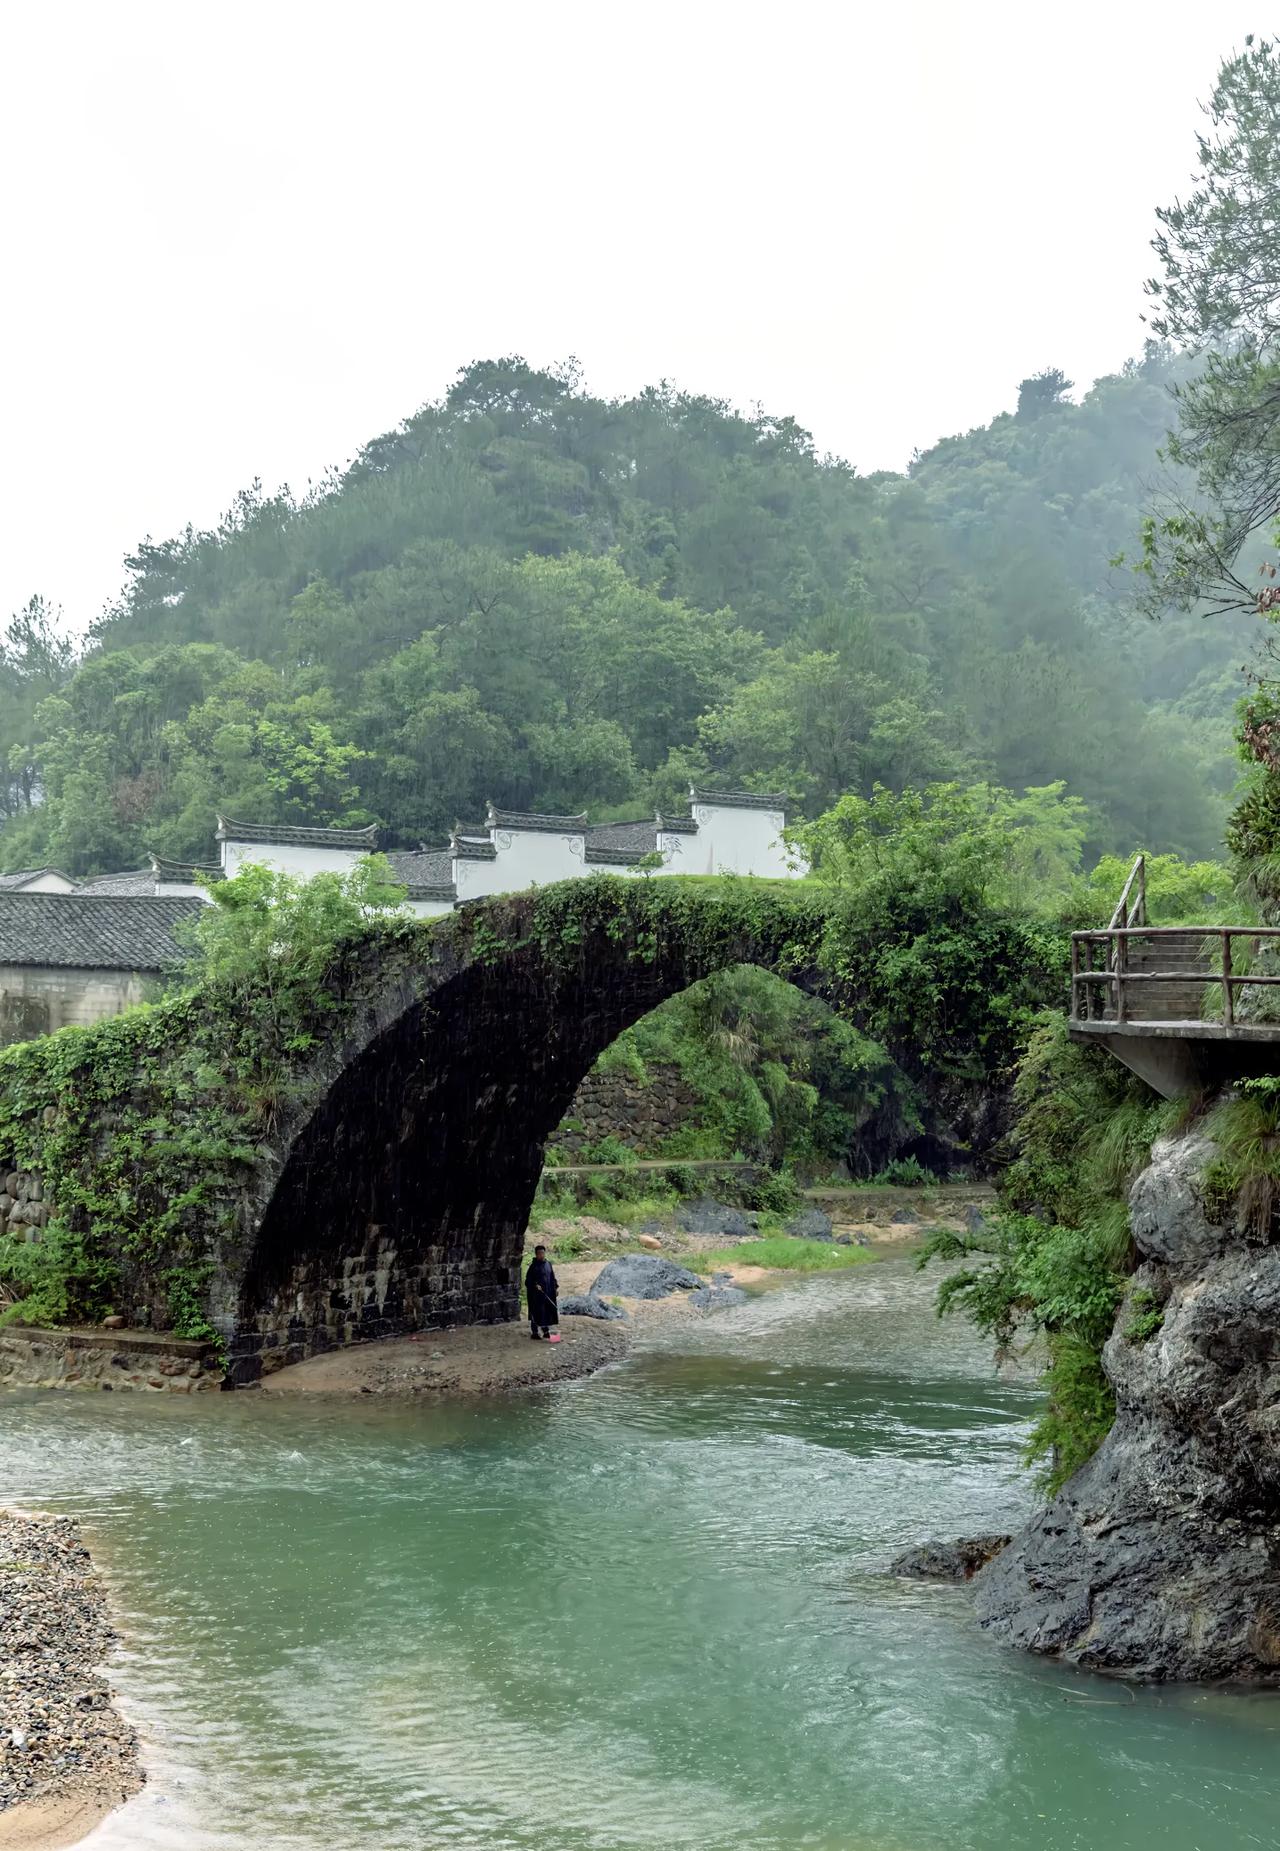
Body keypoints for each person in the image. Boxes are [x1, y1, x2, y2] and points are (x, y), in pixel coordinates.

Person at [525, 1243, 559, 1340]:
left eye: (542, 1253)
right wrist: (535, 1286)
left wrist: (555, 1288)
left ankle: (546, 1332)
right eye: (539, 1253)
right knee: (536, 1313)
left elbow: (552, 1277)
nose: (541, 1255)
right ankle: (534, 1333)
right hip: (536, 1295)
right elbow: (528, 1281)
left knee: (546, 1313)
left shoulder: (548, 1264)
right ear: (536, 1254)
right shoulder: (533, 1267)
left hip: (548, 1292)